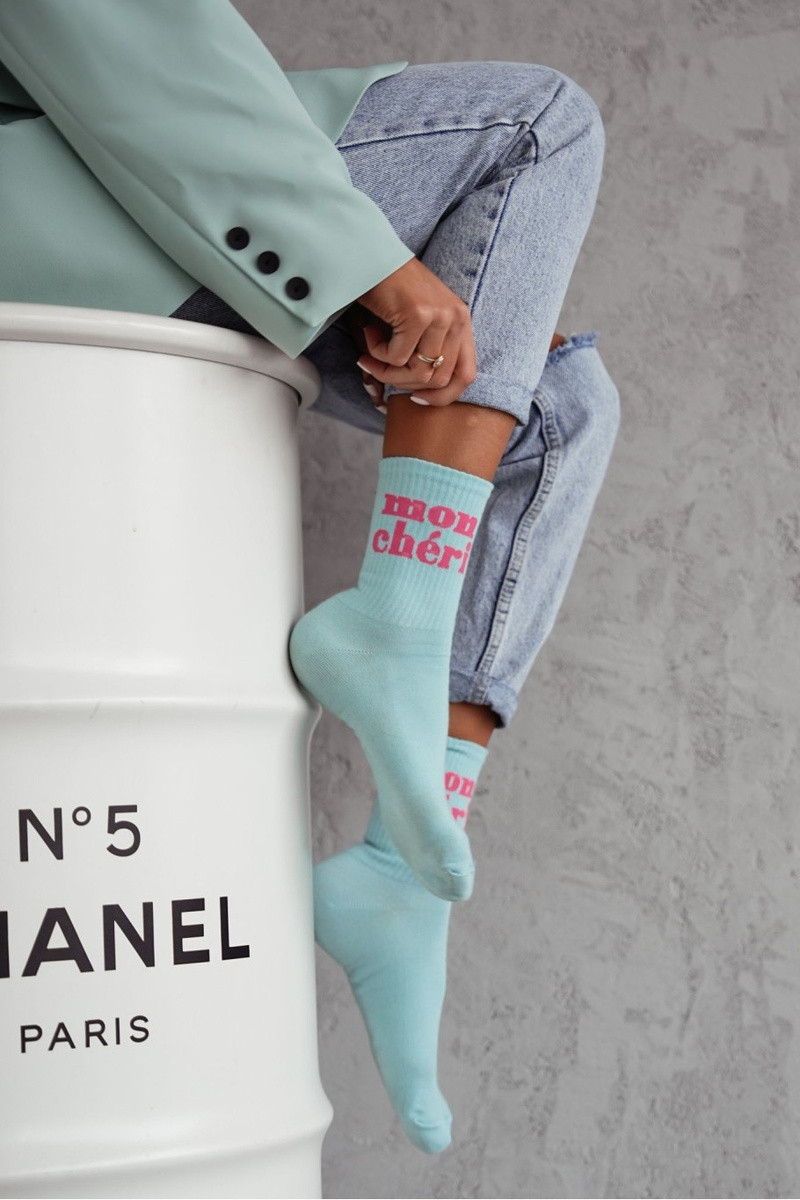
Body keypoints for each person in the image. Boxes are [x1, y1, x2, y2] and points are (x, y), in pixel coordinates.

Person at [0, 4, 620, 1157]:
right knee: (535, 122)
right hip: (39, 202)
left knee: (559, 413)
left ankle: (403, 872)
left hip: (94, 195)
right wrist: (366, 260)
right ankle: (391, 624)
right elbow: (110, 27)